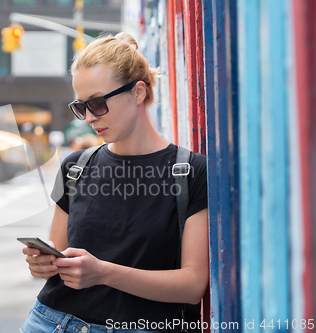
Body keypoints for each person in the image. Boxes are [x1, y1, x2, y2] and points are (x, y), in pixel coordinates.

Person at [21, 32, 209, 333]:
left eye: (97, 103)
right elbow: (60, 256)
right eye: (81, 107)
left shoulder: (191, 172)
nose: (89, 118)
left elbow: (192, 285)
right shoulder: (75, 166)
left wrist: (103, 273)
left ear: (137, 92)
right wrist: (43, 265)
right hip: (52, 322)